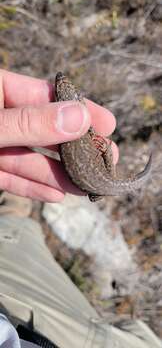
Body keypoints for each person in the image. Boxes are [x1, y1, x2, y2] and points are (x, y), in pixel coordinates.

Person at [0, 70, 161, 347]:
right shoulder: (80, 120)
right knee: (17, 227)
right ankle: (11, 214)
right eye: (62, 86)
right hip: (54, 325)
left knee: (16, 229)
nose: (61, 83)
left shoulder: (77, 122)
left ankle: (10, 214)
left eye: (63, 86)